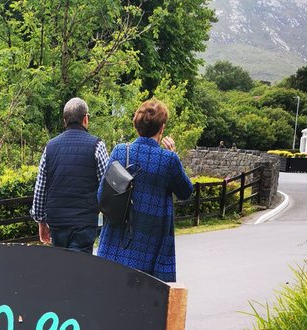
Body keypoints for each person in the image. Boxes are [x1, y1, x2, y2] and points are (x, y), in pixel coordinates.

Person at [97, 99, 193, 283]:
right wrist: (174, 155)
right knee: (144, 296)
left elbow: (101, 195)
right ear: (162, 128)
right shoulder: (169, 160)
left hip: (115, 243)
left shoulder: (120, 152)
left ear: (136, 125)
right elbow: (186, 192)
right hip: (151, 248)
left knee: (111, 296)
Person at [30, 97, 109, 254]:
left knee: (61, 264)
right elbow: (106, 186)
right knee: (80, 266)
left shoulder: (50, 147)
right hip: (84, 221)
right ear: (86, 119)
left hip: (57, 222)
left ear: (64, 120)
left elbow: (40, 188)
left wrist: (41, 220)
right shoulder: (96, 145)